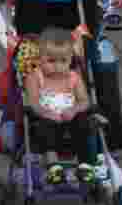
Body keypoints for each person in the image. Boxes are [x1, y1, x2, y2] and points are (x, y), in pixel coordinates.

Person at [26, 28, 94, 185]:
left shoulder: (73, 78)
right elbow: (33, 103)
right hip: (47, 119)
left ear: (70, 60)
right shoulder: (35, 77)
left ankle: (84, 164)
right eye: (51, 61)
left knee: (84, 122)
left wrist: (74, 109)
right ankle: (53, 165)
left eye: (63, 61)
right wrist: (46, 112)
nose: (57, 66)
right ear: (39, 59)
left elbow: (84, 101)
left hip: (71, 119)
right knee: (43, 127)